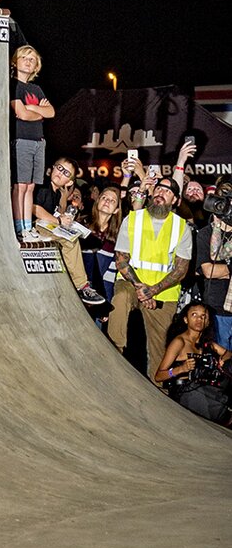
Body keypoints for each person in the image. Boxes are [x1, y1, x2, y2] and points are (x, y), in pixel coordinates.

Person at [109, 176, 193, 380]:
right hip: (132, 283)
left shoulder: (182, 227)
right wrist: (140, 288)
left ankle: (160, 392)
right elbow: (121, 259)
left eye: (167, 191)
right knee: (119, 301)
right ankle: (112, 357)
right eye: (158, 188)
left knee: (159, 351)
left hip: (164, 293)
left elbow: (181, 269)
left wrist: (153, 291)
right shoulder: (133, 219)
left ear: (175, 200)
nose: (160, 193)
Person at [32, 156, 106, 306]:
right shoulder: (43, 186)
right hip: (37, 225)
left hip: (49, 226)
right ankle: (82, 286)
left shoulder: (59, 193)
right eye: (60, 168)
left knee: (75, 238)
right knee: (69, 241)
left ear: (70, 182)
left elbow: (58, 213)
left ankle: (81, 285)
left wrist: (64, 211)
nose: (60, 173)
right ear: (52, 168)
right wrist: (59, 221)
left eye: (66, 173)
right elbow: (35, 209)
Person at [154, 304, 232, 421]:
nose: (199, 319)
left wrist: (223, 360)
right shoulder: (179, 342)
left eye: (203, 316)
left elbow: (228, 353)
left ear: (208, 322)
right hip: (187, 391)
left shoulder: (207, 342)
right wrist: (180, 369)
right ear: (186, 319)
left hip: (206, 387)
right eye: (194, 315)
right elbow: (159, 376)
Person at [10, 45, 54, 242]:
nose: (28, 61)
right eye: (24, 57)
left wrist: (32, 108)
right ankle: (19, 227)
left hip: (38, 141)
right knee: (20, 186)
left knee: (30, 187)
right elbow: (22, 113)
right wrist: (37, 112)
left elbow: (51, 112)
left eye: (32, 59)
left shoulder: (36, 89)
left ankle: (28, 226)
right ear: (15, 61)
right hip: (21, 140)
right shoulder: (13, 85)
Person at [194, 176, 232, 352]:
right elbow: (208, 270)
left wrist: (224, 271)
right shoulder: (204, 234)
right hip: (217, 310)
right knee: (222, 363)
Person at [80, 185, 122, 307]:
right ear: (97, 202)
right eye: (104, 198)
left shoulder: (118, 236)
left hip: (102, 291)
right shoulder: (82, 224)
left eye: (112, 200)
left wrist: (105, 301)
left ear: (116, 210)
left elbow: (110, 274)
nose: (107, 201)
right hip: (79, 286)